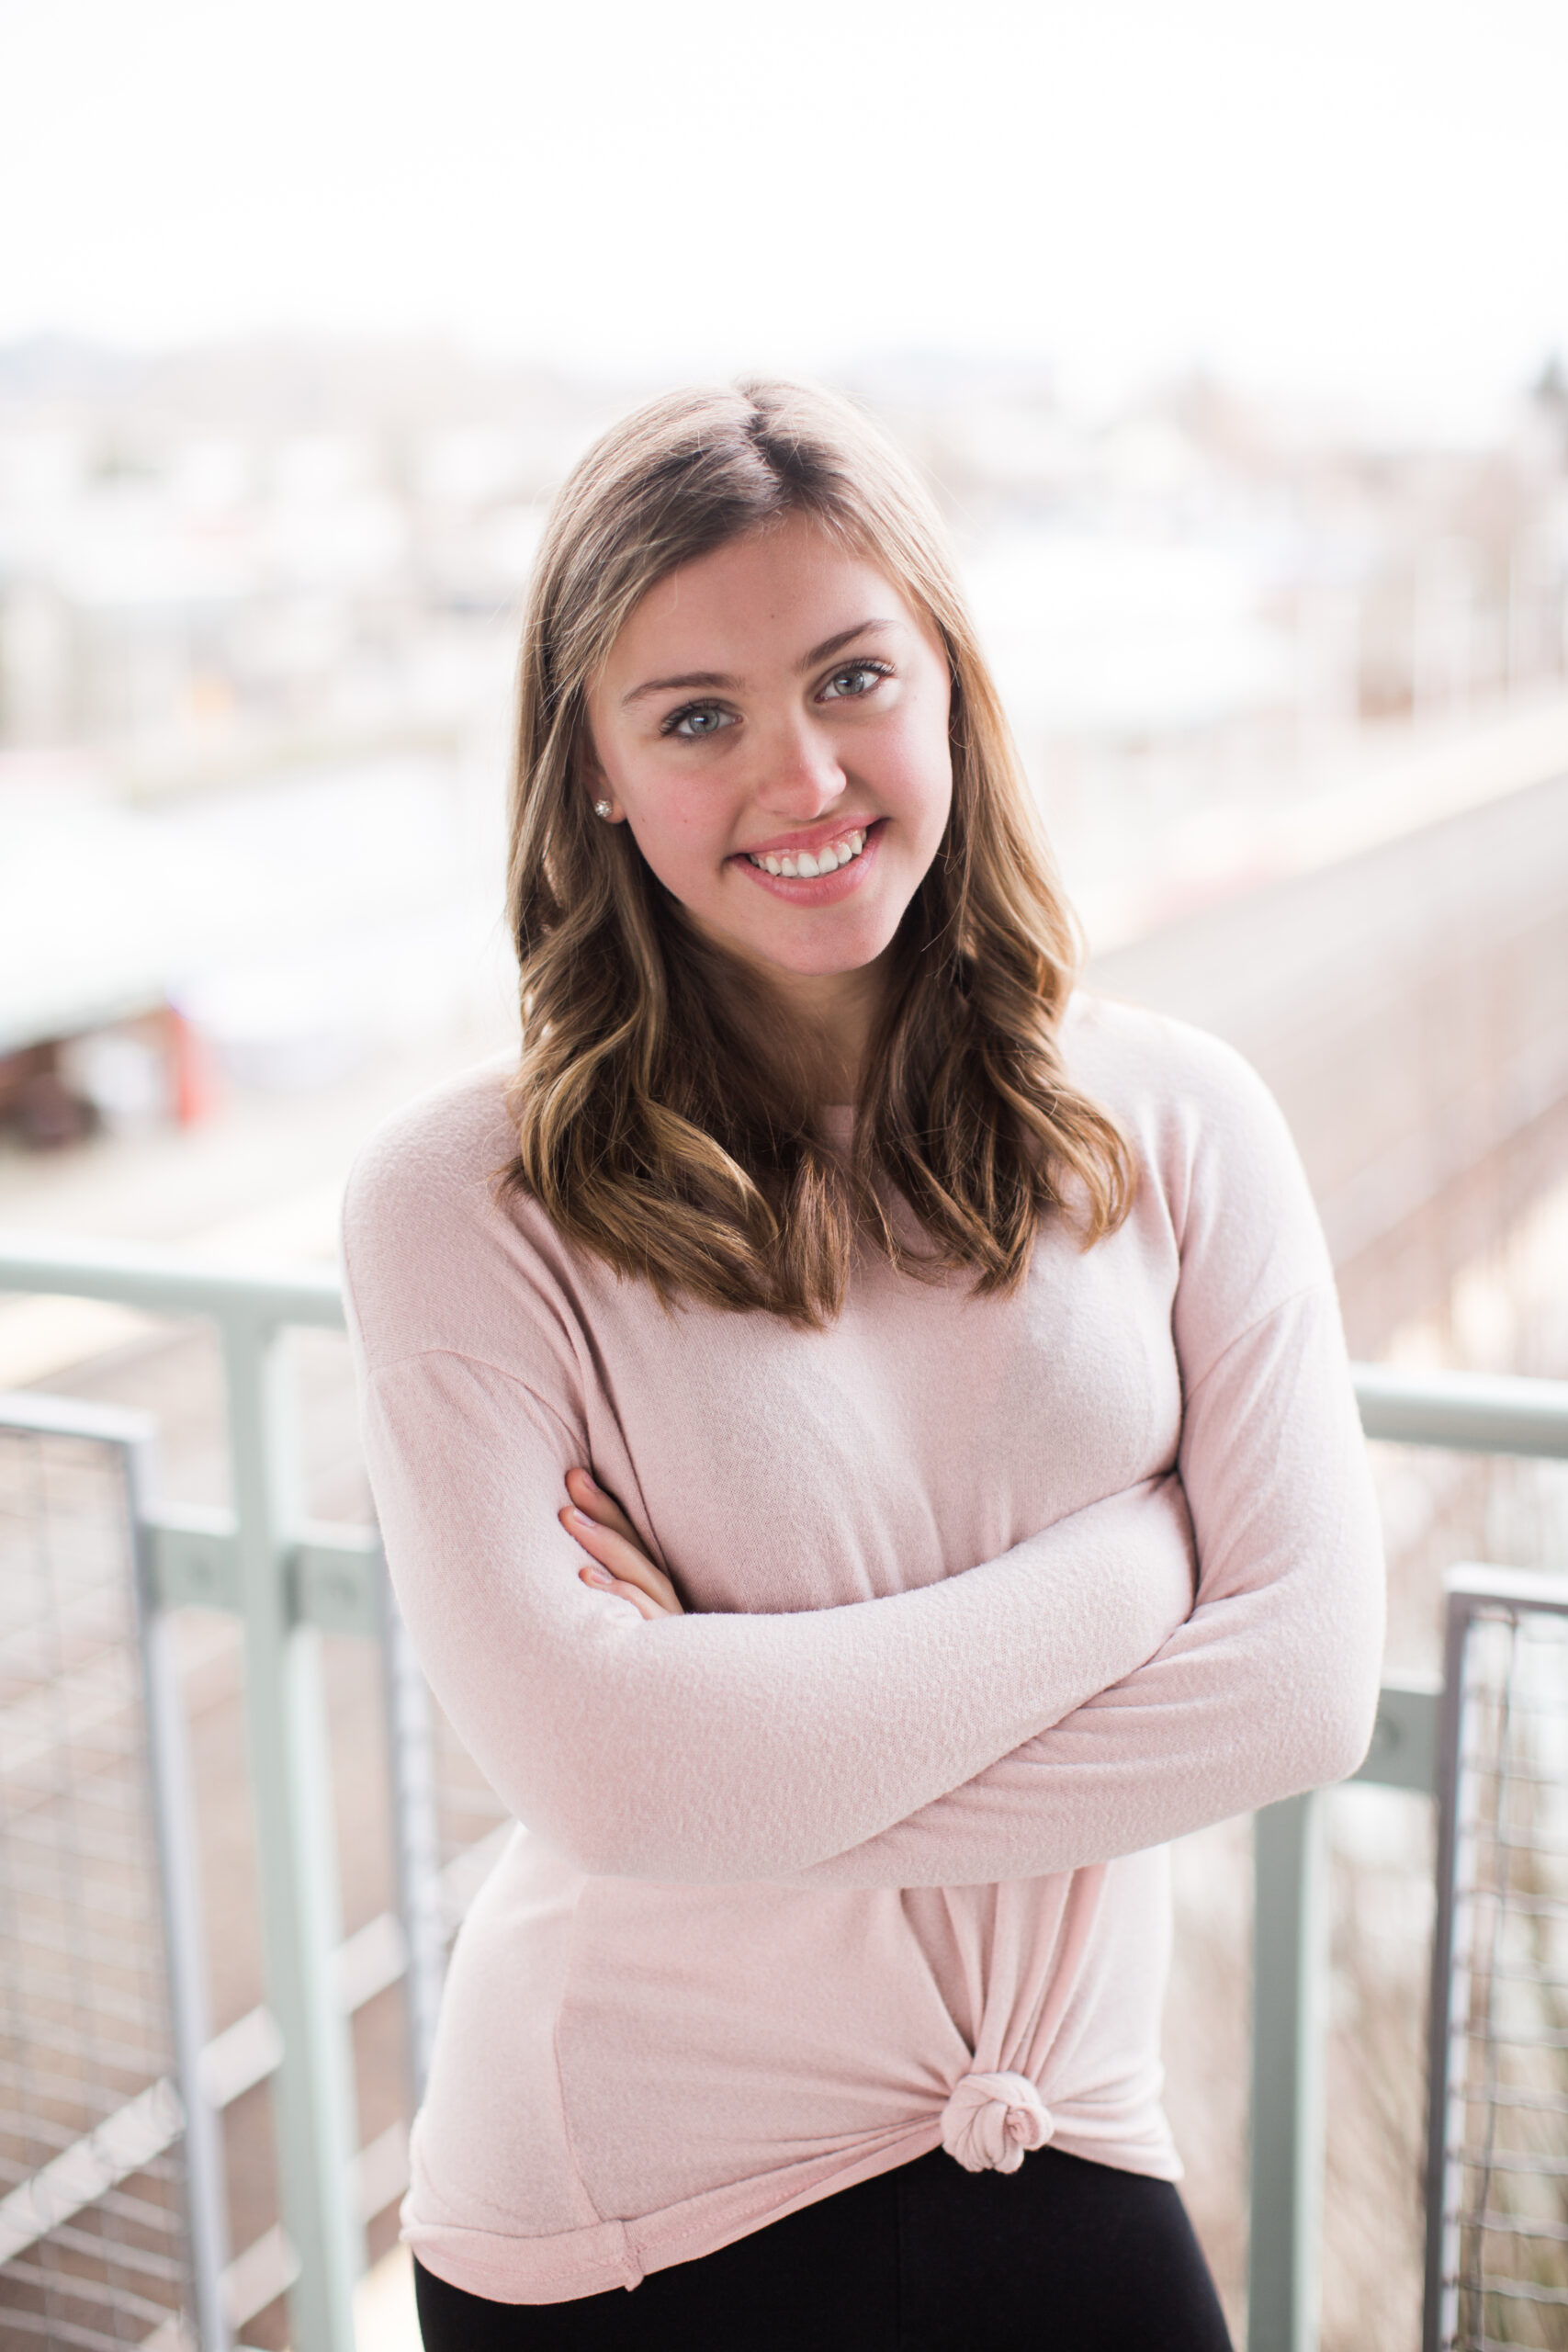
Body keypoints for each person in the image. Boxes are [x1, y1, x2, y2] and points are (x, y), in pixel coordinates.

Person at [341, 380, 1385, 2351]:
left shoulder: (1179, 1122)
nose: (802, 774)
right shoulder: (462, 1204)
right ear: (591, 769)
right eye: (696, 717)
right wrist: (1136, 1569)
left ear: (951, 687)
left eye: (850, 676)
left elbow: (1303, 1690)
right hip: (621, 2202)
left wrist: (736, 1771)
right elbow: (605, 1778)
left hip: (1066, 2123)